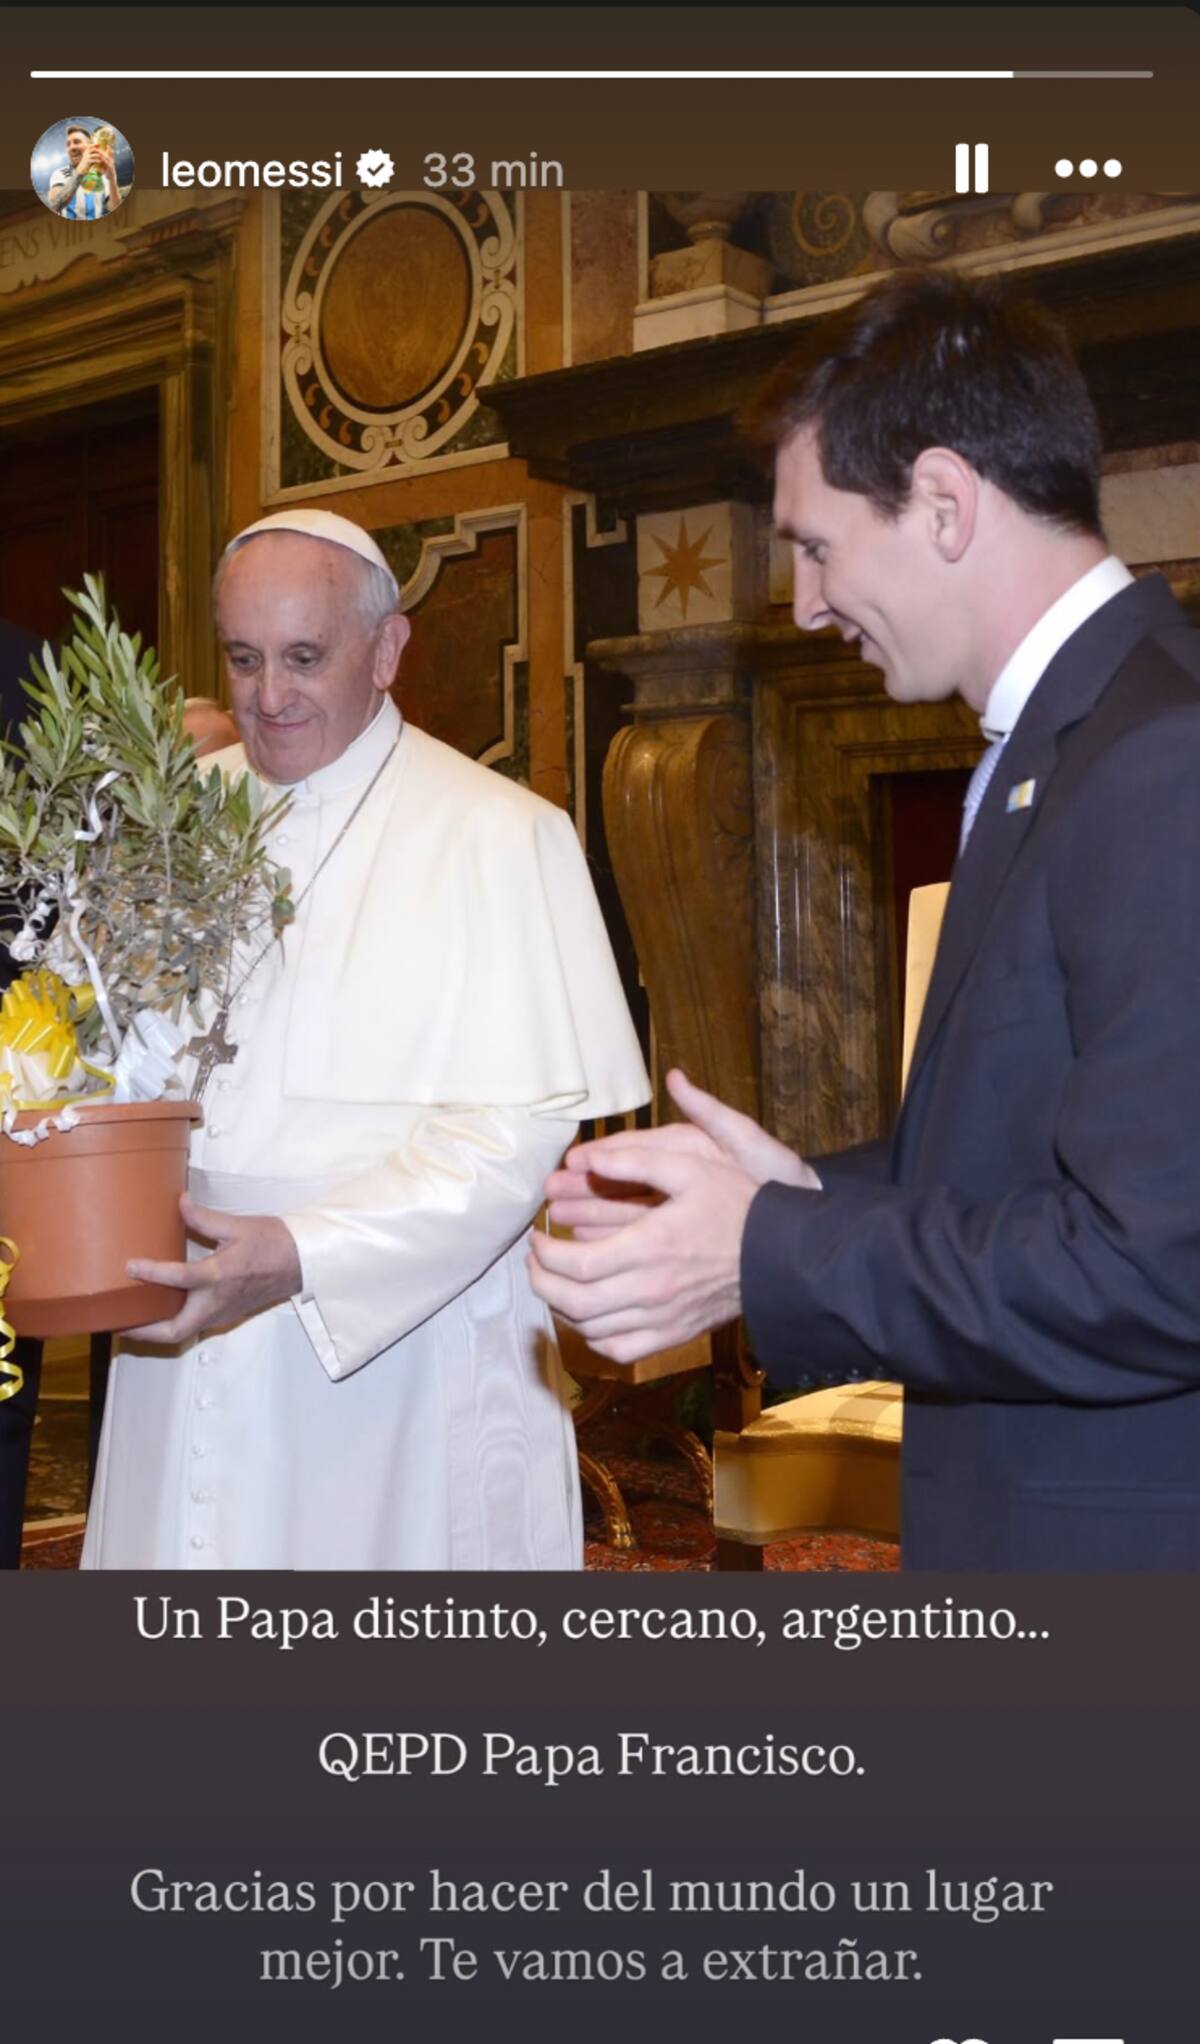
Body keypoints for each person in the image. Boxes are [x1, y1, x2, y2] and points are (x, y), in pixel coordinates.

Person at [529, 268, 1200, 1572]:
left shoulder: (1158, 762)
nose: (808, 605)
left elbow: (1158, 1265)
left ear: (944, 503)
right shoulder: (1067, 744)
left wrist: (772, 1250)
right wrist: (788, 1193)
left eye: (818, 545)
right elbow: (1023, 1168)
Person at [82, 507, 649, 1569]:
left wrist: (302, 1253)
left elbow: (510, 1138)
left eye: (305, 658)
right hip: (185, 1304)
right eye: (244, 659)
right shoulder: (179, 816)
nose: (267, 697)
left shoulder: (500, 832)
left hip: (394, 1353)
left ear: (387, 650)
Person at [47, 124, 122, 220]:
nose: (72, 147)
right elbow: (55, 204)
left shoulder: (102, 176)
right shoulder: (60, 173)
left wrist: (112, 178)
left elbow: (116, 211)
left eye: (77, 142)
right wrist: (81, 169)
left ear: (91, 146)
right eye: (68, 144)